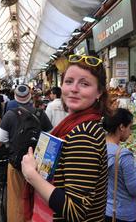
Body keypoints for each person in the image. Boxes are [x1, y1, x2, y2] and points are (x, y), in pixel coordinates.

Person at [21, 54, 112, 221]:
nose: (74, 89)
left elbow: (75, 211)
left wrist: (31, 175)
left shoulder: (84, 135)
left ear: (99, 92)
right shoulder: (80, 125)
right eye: (69, 81)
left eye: (84, 83)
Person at [0, 84, 53, 222]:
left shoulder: (9, 115)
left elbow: (2, 138)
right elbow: (50, 134)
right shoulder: (41, 114)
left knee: (16, 199)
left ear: (16, 98)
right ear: (30, 96)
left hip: (16, 163)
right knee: (37, 197)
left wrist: (13, 145)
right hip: (37, 164)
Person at [102, 108, 136, 222]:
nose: (130, 132)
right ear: (121, 127)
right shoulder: (123, 155)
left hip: (104, 210)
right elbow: (135, 189)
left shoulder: (100, 147)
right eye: (130, 127)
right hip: (123, 214)